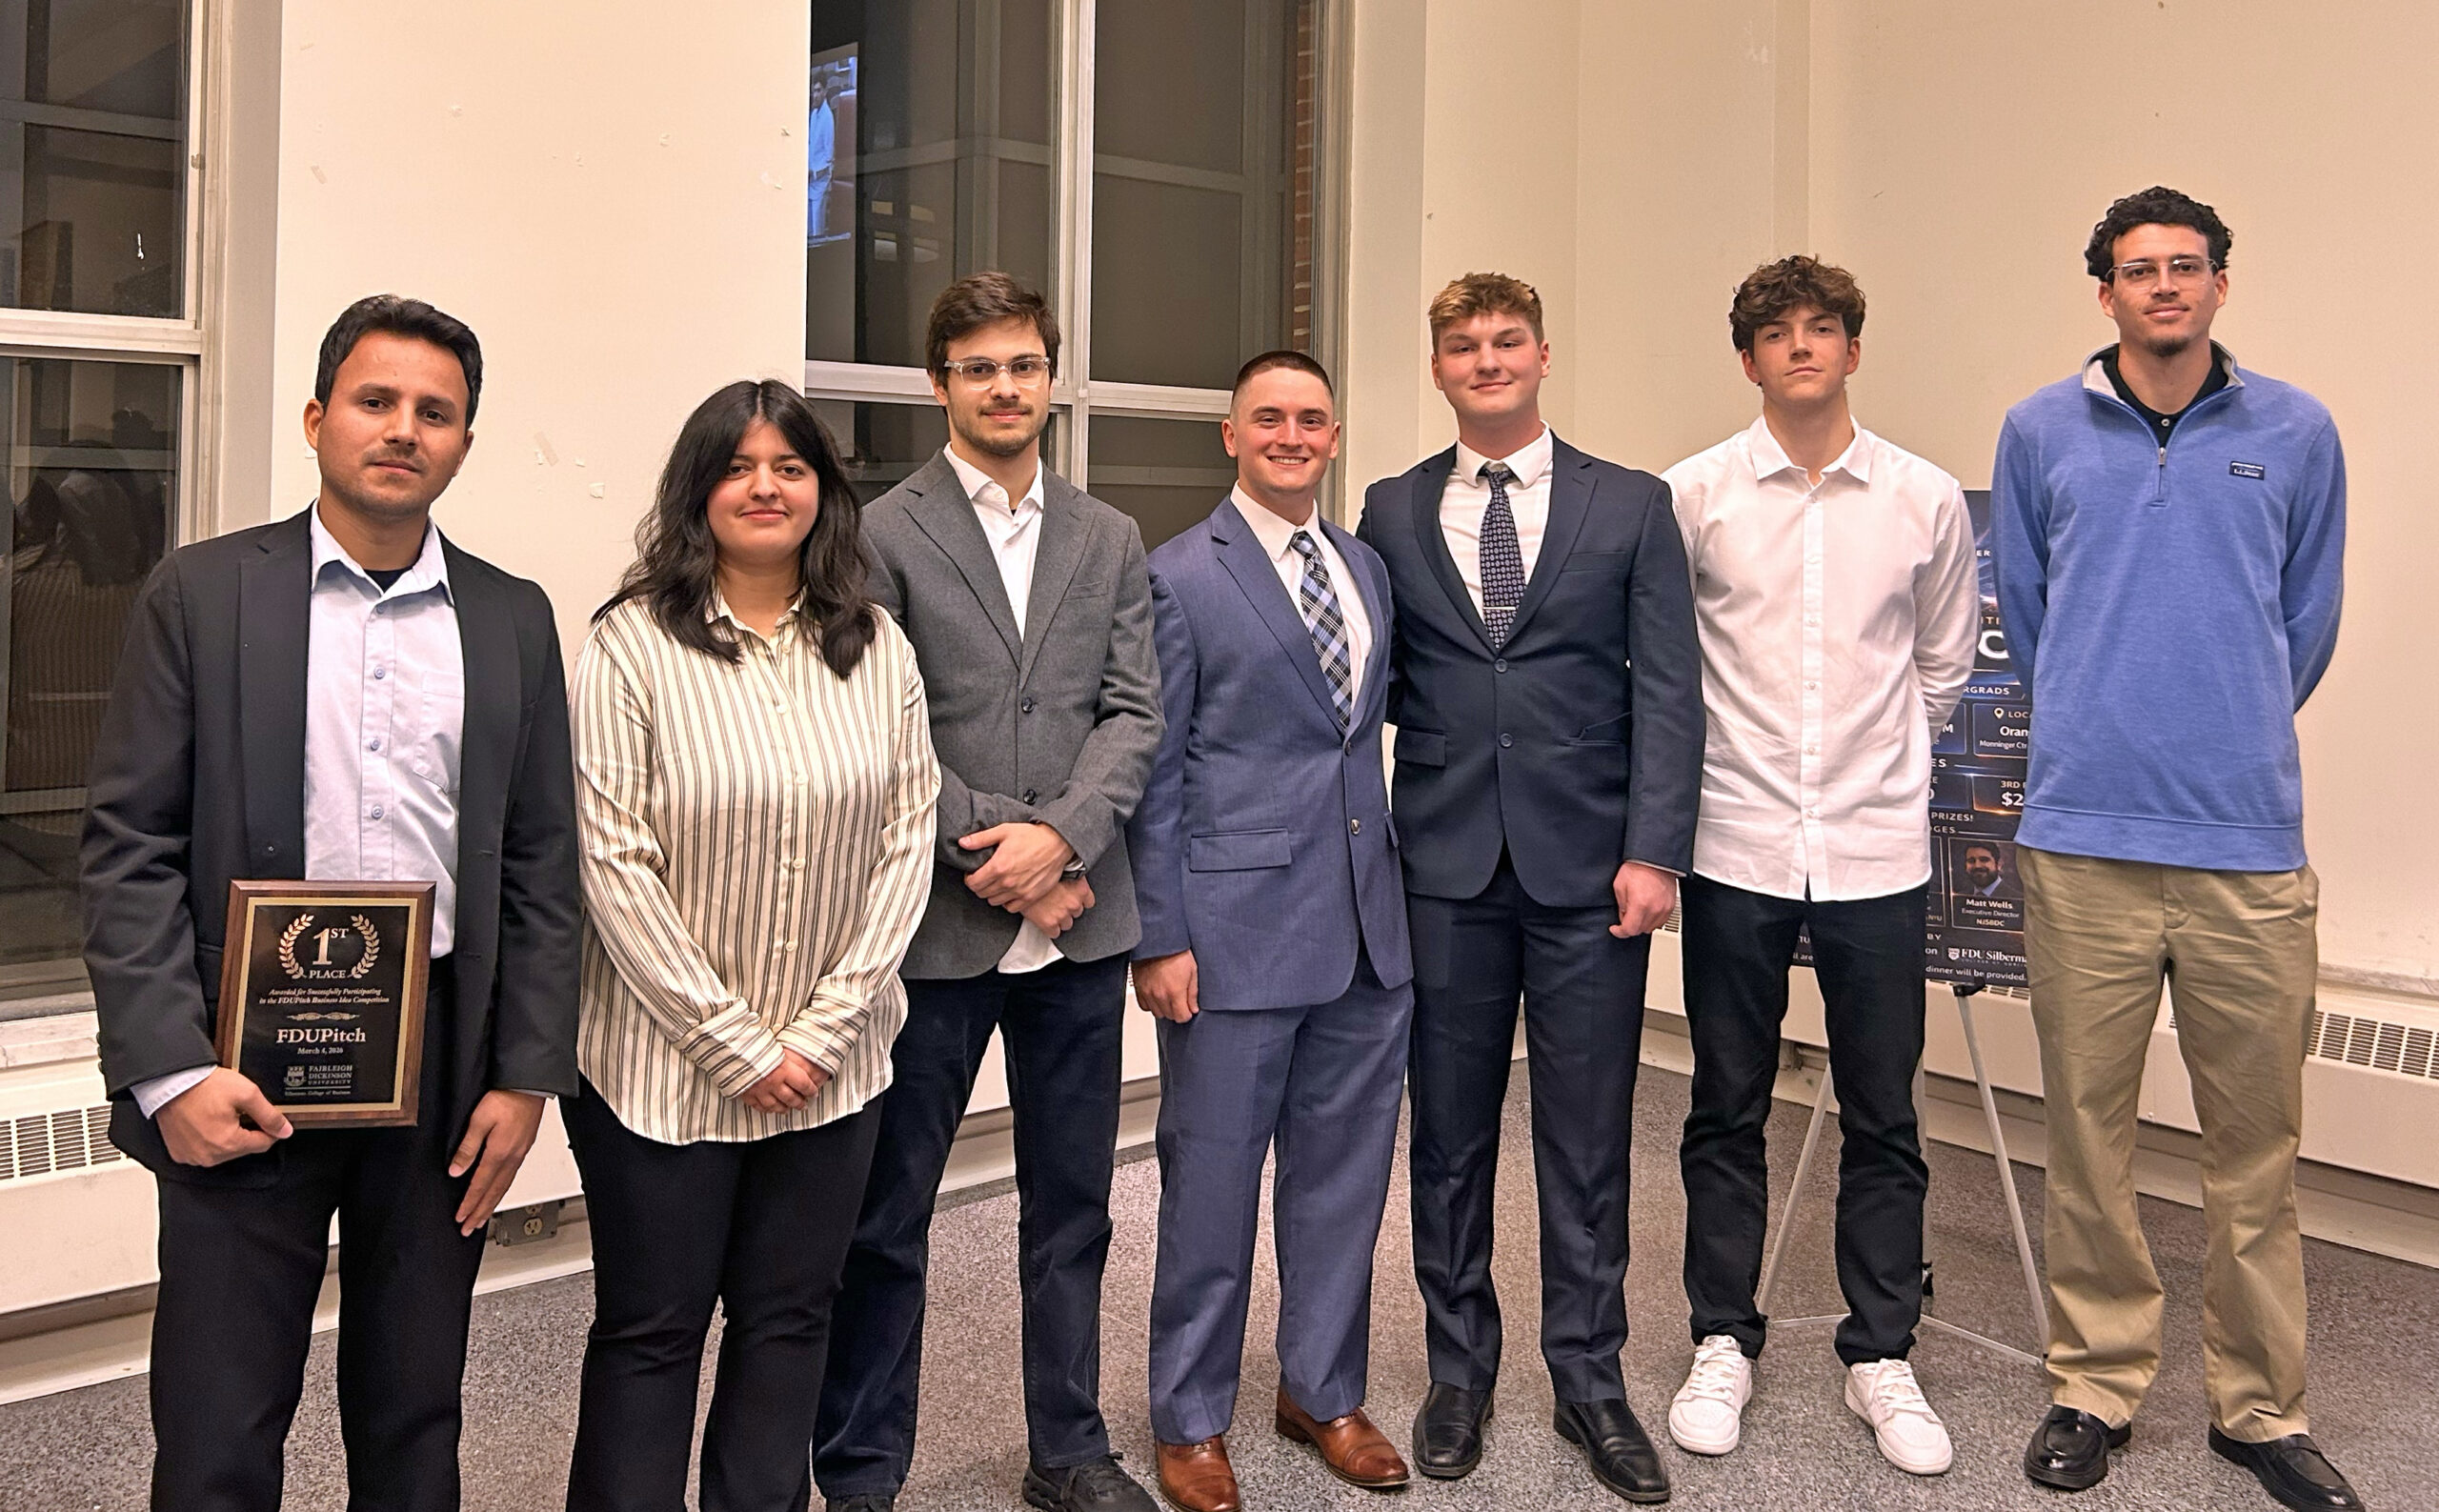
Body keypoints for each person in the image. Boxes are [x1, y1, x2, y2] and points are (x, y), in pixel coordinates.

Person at [80, 294, 580, 1511]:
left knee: (415, 1413)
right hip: (235, 1059)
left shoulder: (512, 617)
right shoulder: (200, 595)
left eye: (436, 412)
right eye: (375, 401)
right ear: (316, 419)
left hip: (442, 1064)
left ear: (462, 441)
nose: (403, 430)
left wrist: (526, 1077)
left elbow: (540, 867)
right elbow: (128, 843)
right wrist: (169, 1073)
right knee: (218, 1419)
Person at [1993, 186, 2356, 1512]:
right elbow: (2032, 620)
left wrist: (2223, 718)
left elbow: (2301, 625)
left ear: (2217, 285)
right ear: (2104, 292)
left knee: (2254, 1146)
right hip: (2081, 837)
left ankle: (2261, 1407)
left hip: (2246, 844)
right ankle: (2095, 1381)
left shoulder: (2296, 430)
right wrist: (2108, 716)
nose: (2163, 287)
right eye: (2137, 270)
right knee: (2087, 1135)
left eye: (2185, 267)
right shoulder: (2041, 429)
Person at [815, 272, 1164, 1512]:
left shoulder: (1107, 534)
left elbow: (1134, 713)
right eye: (979, 368)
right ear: (940, 384)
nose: (1005, 387)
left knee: (1072, 1208)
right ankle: (859, 1470)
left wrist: (1062, 845)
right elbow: (882, 727)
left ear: (1050, 377)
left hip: (1075, 929)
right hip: (938, 928)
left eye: (1023, 364)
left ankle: (1067, 1447)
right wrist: (1008, 858)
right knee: (884, 1216)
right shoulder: (879, 531)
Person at [1356, 272, 1703, 1504]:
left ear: (1543, 354)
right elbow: (1369, 684)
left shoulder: (1630, 503)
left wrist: (1657, 847)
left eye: (1507, 340)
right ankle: (1460, 1371)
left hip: (1589, 869)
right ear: (1440, 366)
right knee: (1446, 1136)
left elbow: (1668, 688)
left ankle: (1589, 1377)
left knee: (1587, 1136)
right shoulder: (1392, 508)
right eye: (1465, 344)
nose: (1487, 359)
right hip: (1442, 868)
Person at [562, 380, 938, 1511]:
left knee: (790, 1321)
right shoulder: (630, 647)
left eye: (789, 466)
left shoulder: (876, 649)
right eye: (738, 466)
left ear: (824, 492)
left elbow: (906, 842)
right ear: (699, 491)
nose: (764, 486)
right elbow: (612, 862)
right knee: (654, 1330)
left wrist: (817, 1037)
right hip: (661, 1071)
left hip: (833, 1072)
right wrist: (737, 1045)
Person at [1659, 255, 1978, 1476]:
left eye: (1822, 329)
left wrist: (1874, 768)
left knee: (1885, 1111)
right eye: (1776, 334)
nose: (1800, 348)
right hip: (1733, 839)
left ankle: (1879, 1351)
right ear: (1747, 360)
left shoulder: (1923, 498)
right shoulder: (1692, 497)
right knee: (1723, 1106)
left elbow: (1944, 669)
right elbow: (1668, 666)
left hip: (1876, 847)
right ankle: (1721, 1338)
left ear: (1852, 347)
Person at [1129, 352, 1414, 1512]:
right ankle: (1189, 1415)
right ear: (1230, 436)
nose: (1291, 435)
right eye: (1269, 420)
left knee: (1342, 1183)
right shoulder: (1177, 576)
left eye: (1311, 419)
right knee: (1209, 1184)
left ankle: (1321, 1392)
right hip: (1232, 930)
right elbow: (1155, 771)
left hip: (1365, 930)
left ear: (1333, 437)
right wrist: (1158, 934)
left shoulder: (1363, 567)